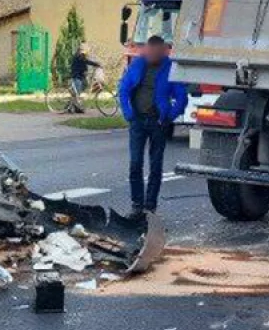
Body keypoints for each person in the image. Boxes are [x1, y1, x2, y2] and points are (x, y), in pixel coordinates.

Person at [118, 35, 187, 215]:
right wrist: (128, 112)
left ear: (163, 51)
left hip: (158, 121)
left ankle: (150, 206)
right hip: (138, 120)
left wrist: (169, 115)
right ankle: (137, 205)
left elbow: (181, 97)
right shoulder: (137, 65)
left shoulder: (170, 68)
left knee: (155, 165)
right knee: (135, 163)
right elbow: (124, 88)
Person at [67, 43, 102, 113]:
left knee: (84, 86)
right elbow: (86, 61)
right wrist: (96, 64)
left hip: (81, 76)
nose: (84, 52)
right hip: (76, 76)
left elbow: (85, 62)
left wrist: (95, 65)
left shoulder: (82, 56)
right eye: (83, 50)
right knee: (77, 93)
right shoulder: (78, 56)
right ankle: (71, 107)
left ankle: (74, 107)